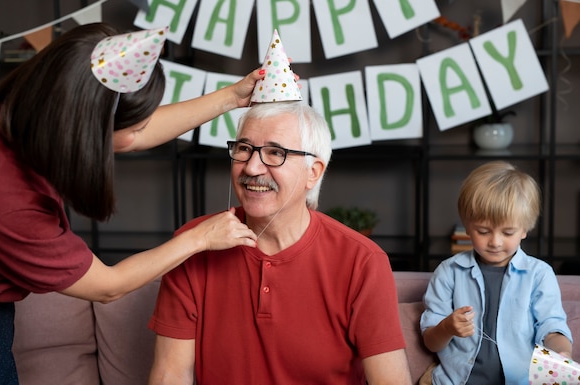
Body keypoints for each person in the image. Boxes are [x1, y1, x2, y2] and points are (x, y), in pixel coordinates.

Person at [0, 22, 261, 385]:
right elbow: (107, 286)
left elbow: (129, 134)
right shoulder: (5, 204)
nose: (137, 137)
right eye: (132, 128)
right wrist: (199, 239)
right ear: (89, 129)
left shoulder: (29, 103)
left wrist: (232, 97)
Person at [147, 101, 412, 385]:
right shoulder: (193, 243)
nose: (251, 167)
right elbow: (170, 374)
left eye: (276, 153)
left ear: (314, 172)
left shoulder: (362, 261)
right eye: (244, 149)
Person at [419, 161, 573, 385]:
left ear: (525, 229)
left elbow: (551, 326)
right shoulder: (448, 272)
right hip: (454, 381)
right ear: (467, 226)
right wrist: (447, 327)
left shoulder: (539, 274)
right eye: (483, 231)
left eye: (508, 232)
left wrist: (561, 354)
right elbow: (431, 342)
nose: (495, 242)